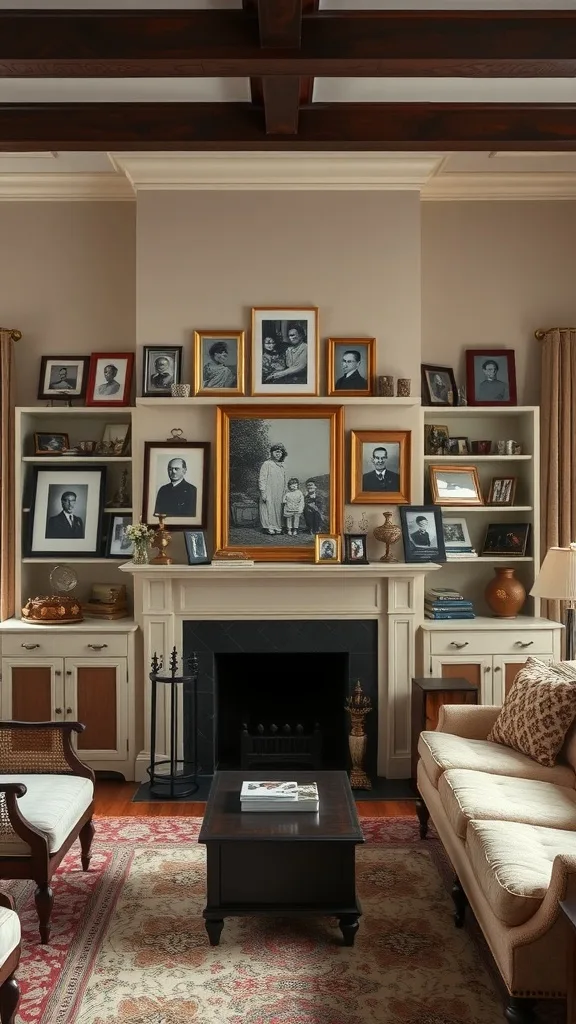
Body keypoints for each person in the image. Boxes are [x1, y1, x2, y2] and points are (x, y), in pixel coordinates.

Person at [258, 443, 287, 535]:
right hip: (268, 490)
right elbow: (262, 478)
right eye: (276, 452)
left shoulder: (283, 465)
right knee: (267, 507)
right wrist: (263, 492)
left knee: (278, 509)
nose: (278, 454)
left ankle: (277, 527)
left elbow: (285, 479)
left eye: (280, 452)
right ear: (271, 453)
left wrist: (285, 492)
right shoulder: (267, 464)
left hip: (279, 491)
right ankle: (268, 527)